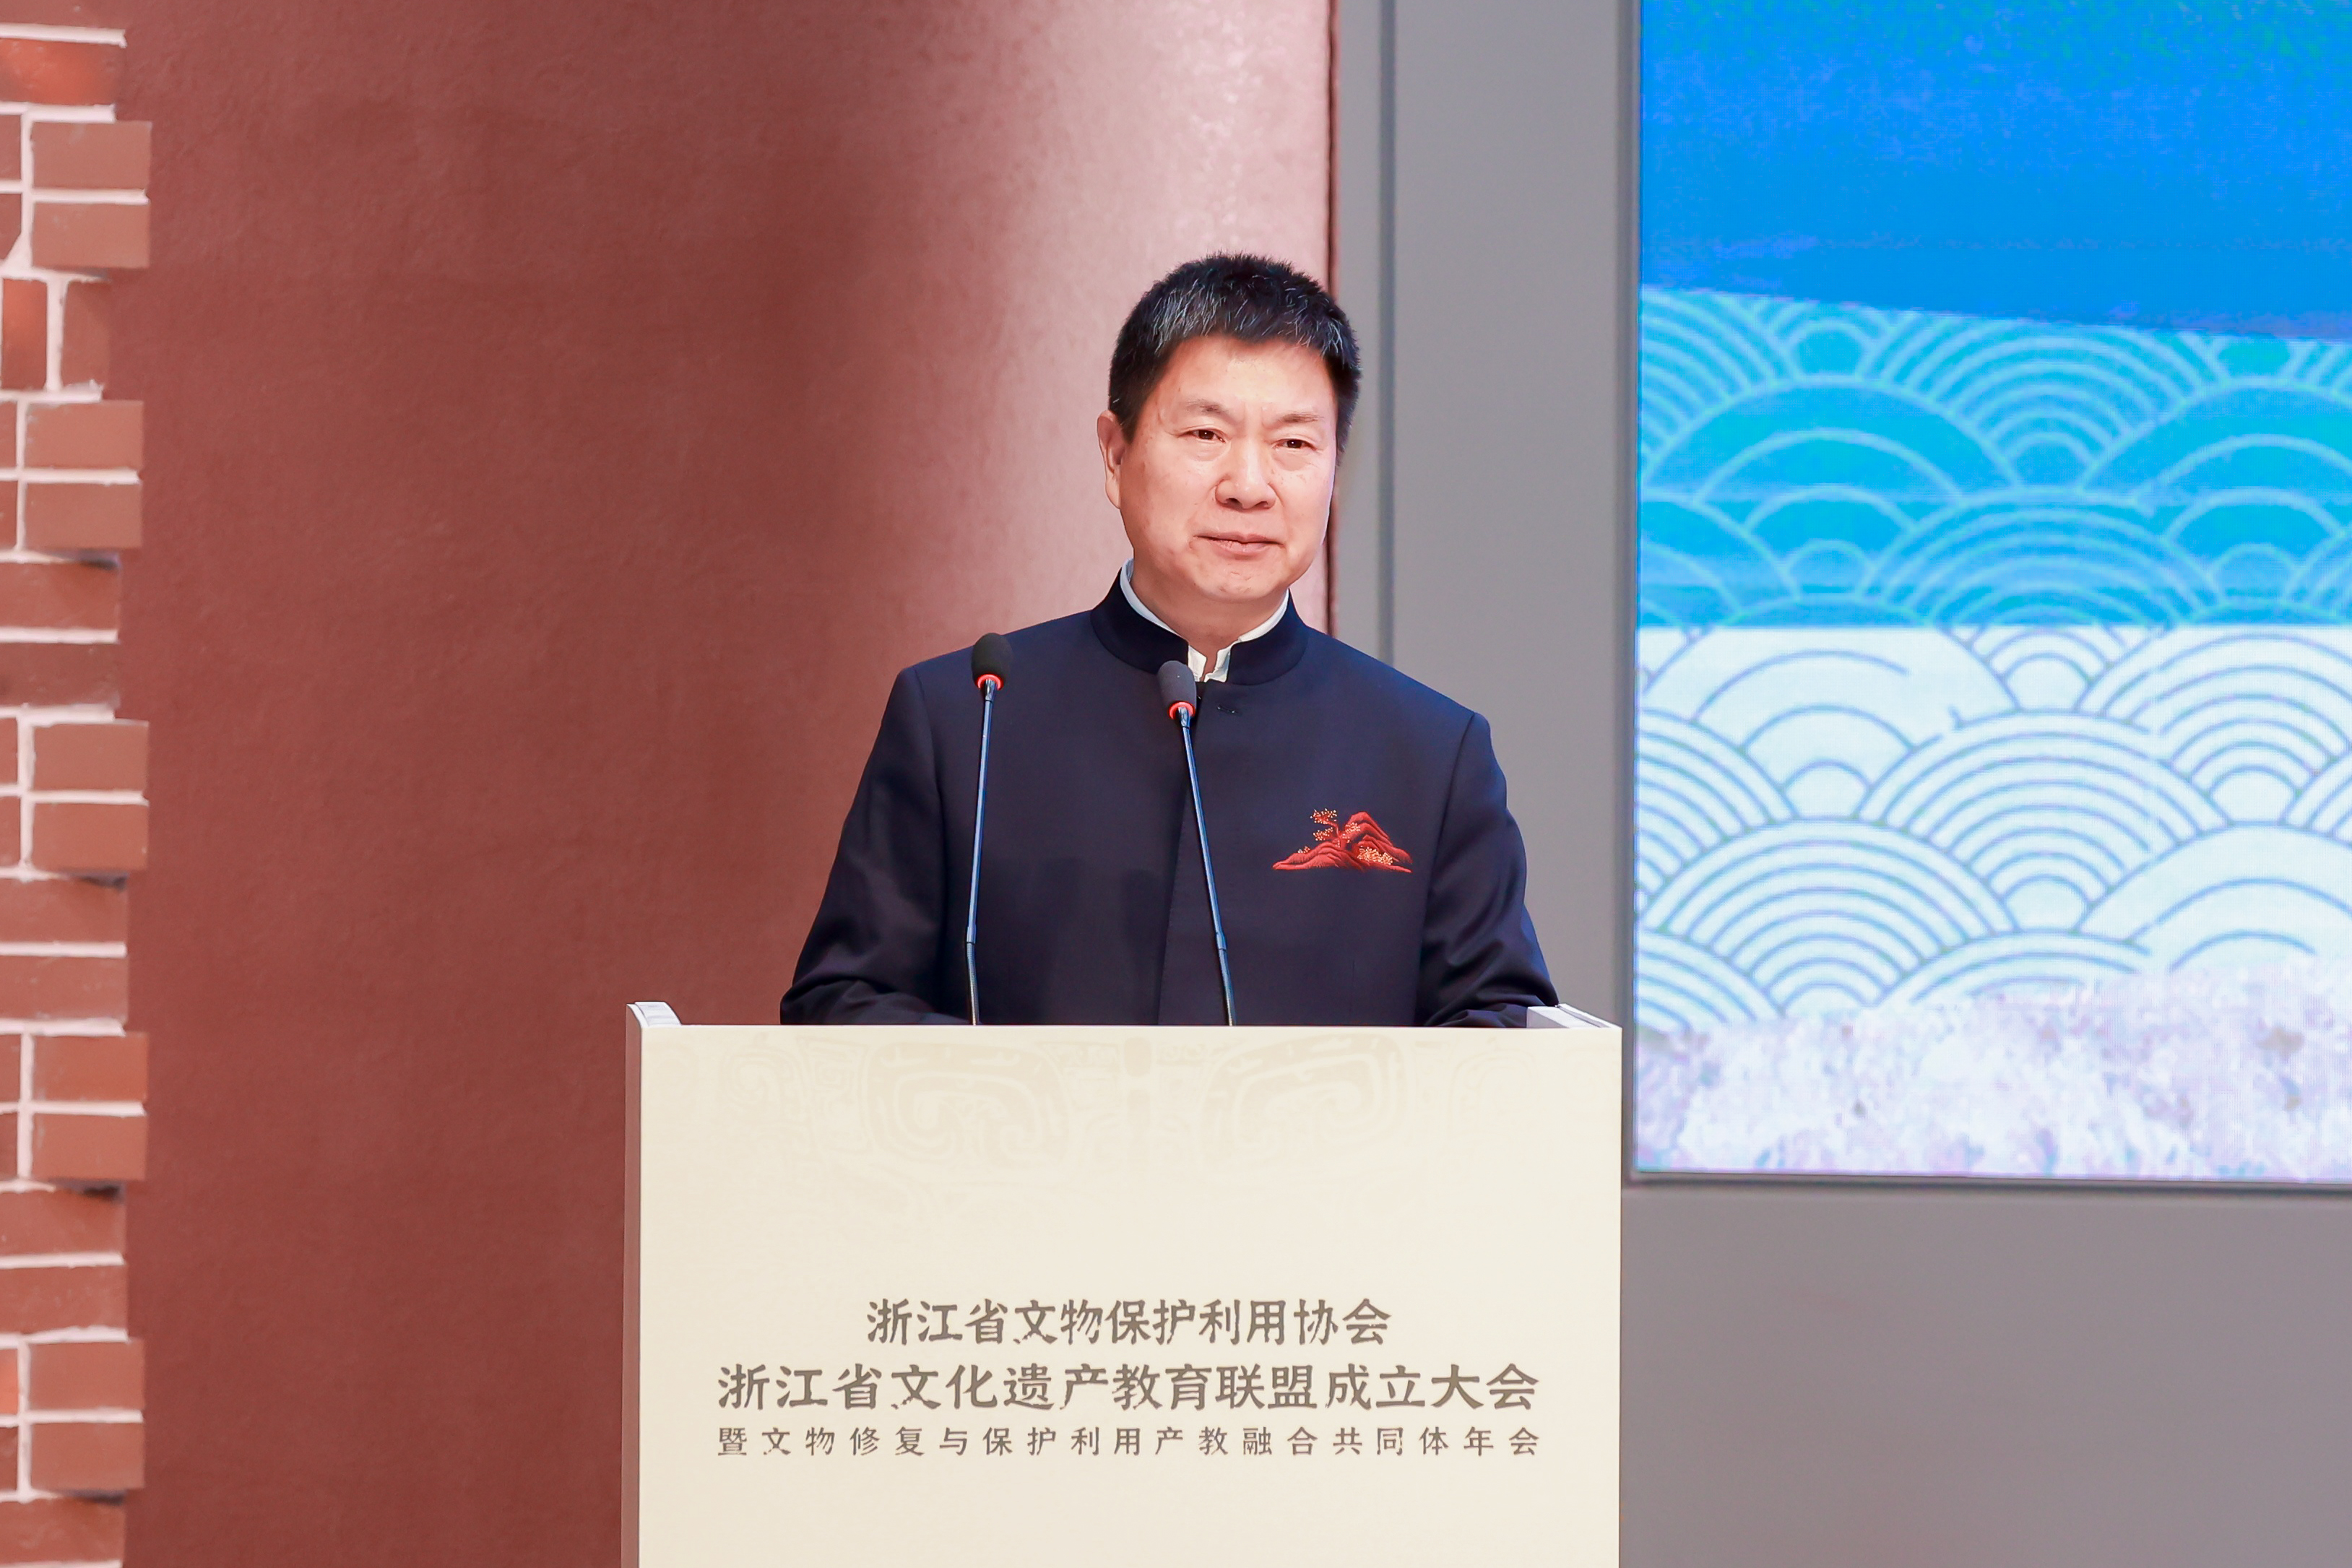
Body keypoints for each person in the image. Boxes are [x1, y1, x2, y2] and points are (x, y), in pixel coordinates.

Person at [782, 254, 1555, 1026]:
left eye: (1293, 444)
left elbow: (1499, 1033)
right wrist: (1029, 1088)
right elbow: (843, 1005)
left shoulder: (1429, 752)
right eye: (1206, 433)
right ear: (1115, 455)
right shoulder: (963, 718)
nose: (1248, 486)